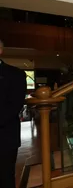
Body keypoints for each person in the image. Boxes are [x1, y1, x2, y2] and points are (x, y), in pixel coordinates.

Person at [0, 39, 27, 188]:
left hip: (4, 138)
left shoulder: (15, 75)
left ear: (0, 50)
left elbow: (14, 106)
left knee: (5, 178)